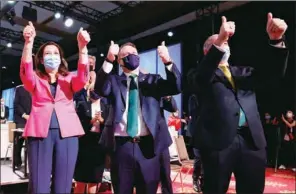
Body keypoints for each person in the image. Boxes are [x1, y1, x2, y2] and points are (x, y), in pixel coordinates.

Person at [189, 13, 288, 194]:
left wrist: (276, 40)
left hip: (252, 139)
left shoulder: (243, 72)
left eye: (226, 42)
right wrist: (219, 40)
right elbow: (202, 78)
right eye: (219, 42)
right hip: (218, 142)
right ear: (207, 52)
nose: (224, 44)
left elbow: (273, 73)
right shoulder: (198, 74)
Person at [95, 40, 181, 194]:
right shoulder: (114, 81)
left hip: (148, 147)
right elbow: (100, 89)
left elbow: (176, 86)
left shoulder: (152, 80)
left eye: (134, 54)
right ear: (119, 60)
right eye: (126, 55)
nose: (131, 57)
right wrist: (108, 59)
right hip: (122, 147)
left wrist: (167, 61)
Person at [20, 21, 90, 193]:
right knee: (39, 186)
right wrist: (28, 44)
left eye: (55, 53)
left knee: (63, 185)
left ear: (61, 58)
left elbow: (83, 77)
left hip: (67, 134)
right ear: (42, 59)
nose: (52, 56)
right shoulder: (35, 79)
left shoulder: (69, 79)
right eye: (48, 53)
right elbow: (25, 72)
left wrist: (82, 49)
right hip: (39, 133)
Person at [74, 91, 108, 193]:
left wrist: (102, 121)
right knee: (81, 177)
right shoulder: (82, 105)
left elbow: (110, 126)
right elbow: (78, 123)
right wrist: (91, 121)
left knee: (95, 177)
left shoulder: (106, 107)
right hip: (84, 144)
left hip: (99, 144)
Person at [159, 96, 177, 194]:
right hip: (142, 140)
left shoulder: (158, 86)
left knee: (165, 175)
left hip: (160, 139)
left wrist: (168, 97)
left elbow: (173, 108)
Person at [187, 94, 203, 193]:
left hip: (209, 135)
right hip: (197, 134)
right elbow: (193, 114)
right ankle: (195, 179)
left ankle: (204, 181)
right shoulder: (194, 97)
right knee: (199, 159)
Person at [13, 85, 32, 169]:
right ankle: (17, 163)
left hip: (33, 120)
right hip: (21, 119)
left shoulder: (35, 88)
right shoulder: (19, 89)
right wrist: (24, 115)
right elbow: (16, 105)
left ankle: (30, 163)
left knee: (31, 144)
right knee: (19, 143)